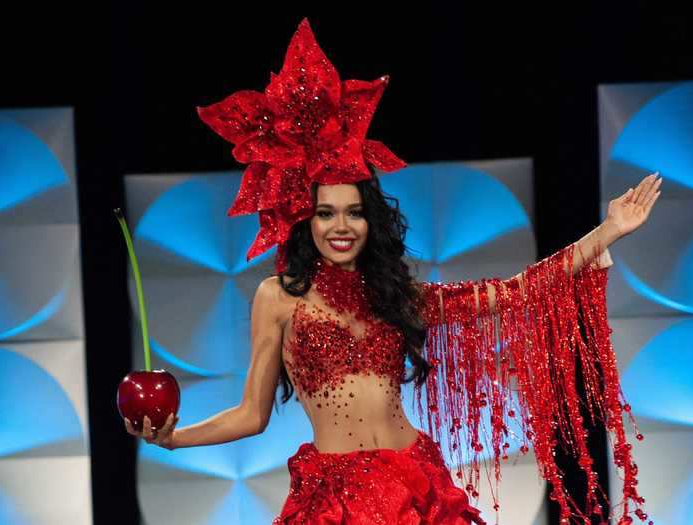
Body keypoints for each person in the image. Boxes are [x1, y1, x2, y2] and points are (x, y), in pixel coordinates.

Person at [124, 18, 660, 525]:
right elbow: (251, 414)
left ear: (370, 220)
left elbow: (514, 292)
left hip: (415, 485)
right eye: (326, 212)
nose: (341, 226)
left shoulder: (398, 295)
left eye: (354, 212)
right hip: (337, 497)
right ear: (303, 219)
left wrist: (607, 230)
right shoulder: (278, 297)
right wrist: (175, 439)